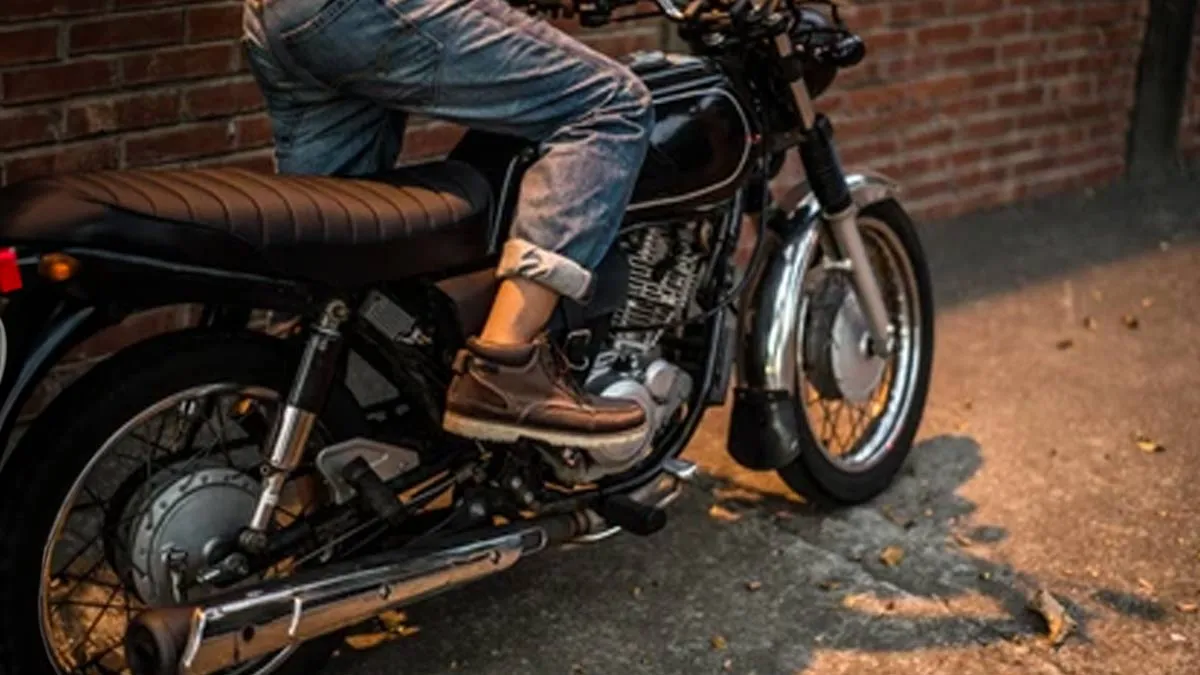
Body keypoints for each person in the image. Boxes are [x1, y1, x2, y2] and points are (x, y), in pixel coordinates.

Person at [243, 0, 653, 456]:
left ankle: (287, 430)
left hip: (277, 17)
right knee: (611, 105)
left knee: (324, 251)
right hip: (356, 13)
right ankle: (505, 364)